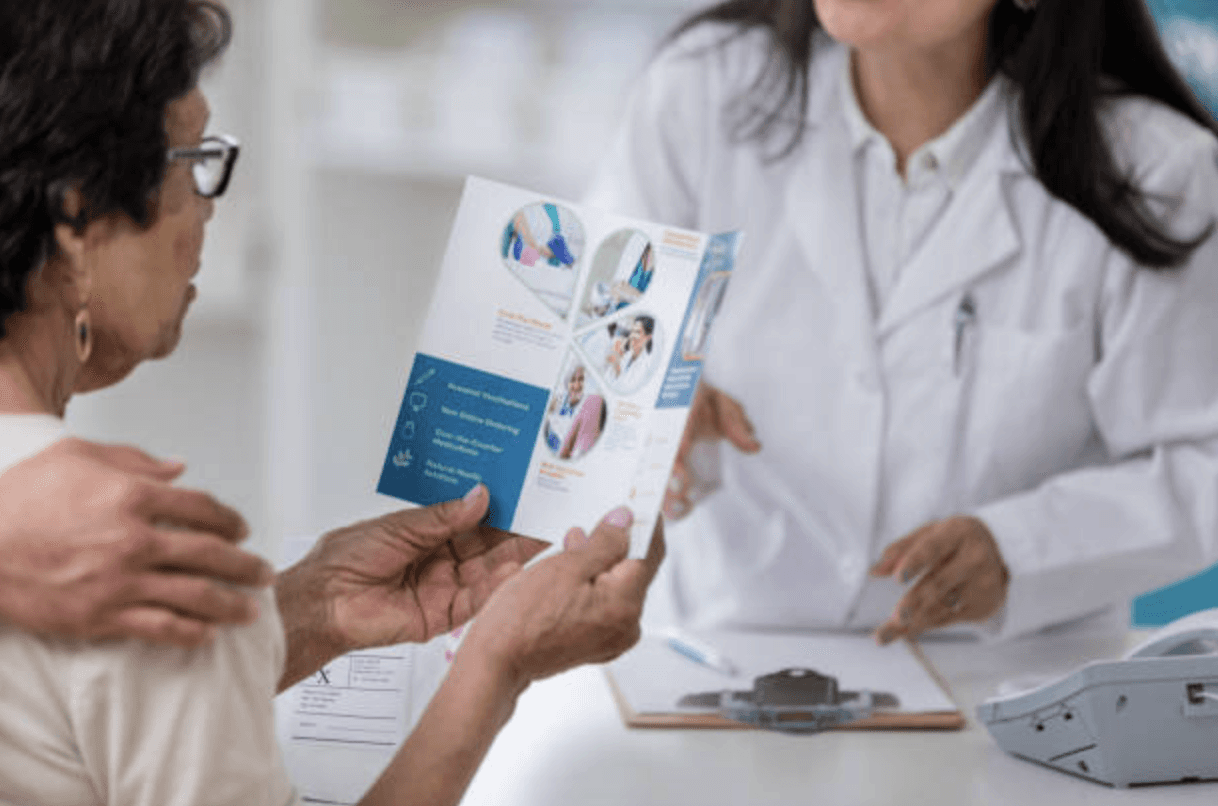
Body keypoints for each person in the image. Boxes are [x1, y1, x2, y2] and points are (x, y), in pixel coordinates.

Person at [0, 3, 661, 805]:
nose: (208, 206)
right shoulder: (133, 555)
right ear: (75, 216)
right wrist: (497, 663)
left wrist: (299, 615)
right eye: (193, 160)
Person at [586, 0, 1218, 643]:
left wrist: (1021, 549)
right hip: (713, 659)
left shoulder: (1158, 174)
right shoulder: (701, 90)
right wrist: (647, 392)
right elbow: (585, 343)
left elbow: (1204, 464)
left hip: (1010, 688)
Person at [545, 364, 606, 460]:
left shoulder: (590, 406)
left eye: (581, 379)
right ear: (567, 382)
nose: (577, 385)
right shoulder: (557, 402)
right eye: (572, 380)